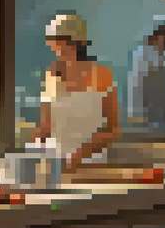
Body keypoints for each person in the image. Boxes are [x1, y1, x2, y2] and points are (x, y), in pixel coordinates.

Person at [26, 14, 120, 173]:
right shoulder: (52, 76)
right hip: (55, 164)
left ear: (72, 41)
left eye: (54, 40)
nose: (50, 45)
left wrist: (78, 155)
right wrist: (30, 157)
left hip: (91, 164)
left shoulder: (102, 75)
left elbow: (112, 129)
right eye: (50, 40)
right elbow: (44, 127)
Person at [127, 15, 165, 127]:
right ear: (158, 35)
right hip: (146, 118)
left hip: (156, 117)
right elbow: (146, 88)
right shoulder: (143, 54)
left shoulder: (157, 54)